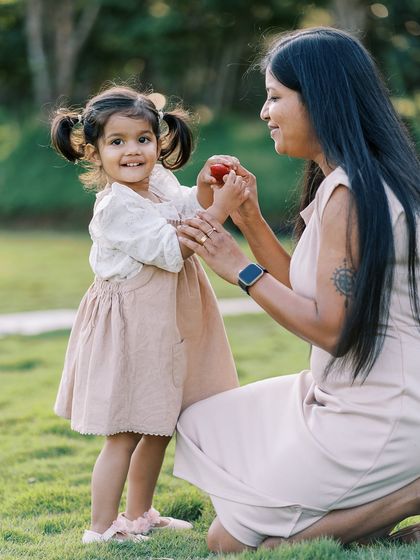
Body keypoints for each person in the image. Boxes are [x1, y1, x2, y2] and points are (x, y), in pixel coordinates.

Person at [174, 27, 420, 552]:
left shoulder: (353, 195)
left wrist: (238, 267)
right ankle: (363, 508)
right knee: (202, 422)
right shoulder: (346, 182)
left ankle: (409, 492)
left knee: (230, 544)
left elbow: (332, 328)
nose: (265, 113)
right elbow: (311, 291)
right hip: (339, 392)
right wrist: (250, 219)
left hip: (385, 408)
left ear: (320, 97)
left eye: (274, 97)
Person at [51, 85, 247, 543]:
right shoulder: (115, 206)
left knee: (158, 423)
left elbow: (184, 209)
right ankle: (101, 528)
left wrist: (204, 192)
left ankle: (140, 515)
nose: (132, 150)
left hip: (166, 324)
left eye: (142, 138)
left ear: (159, 143)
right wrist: (221, 209)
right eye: (116, 141)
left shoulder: (156, 184)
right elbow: (172, 246)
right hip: (133, 327)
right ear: (95, 153)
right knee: (124, 431)